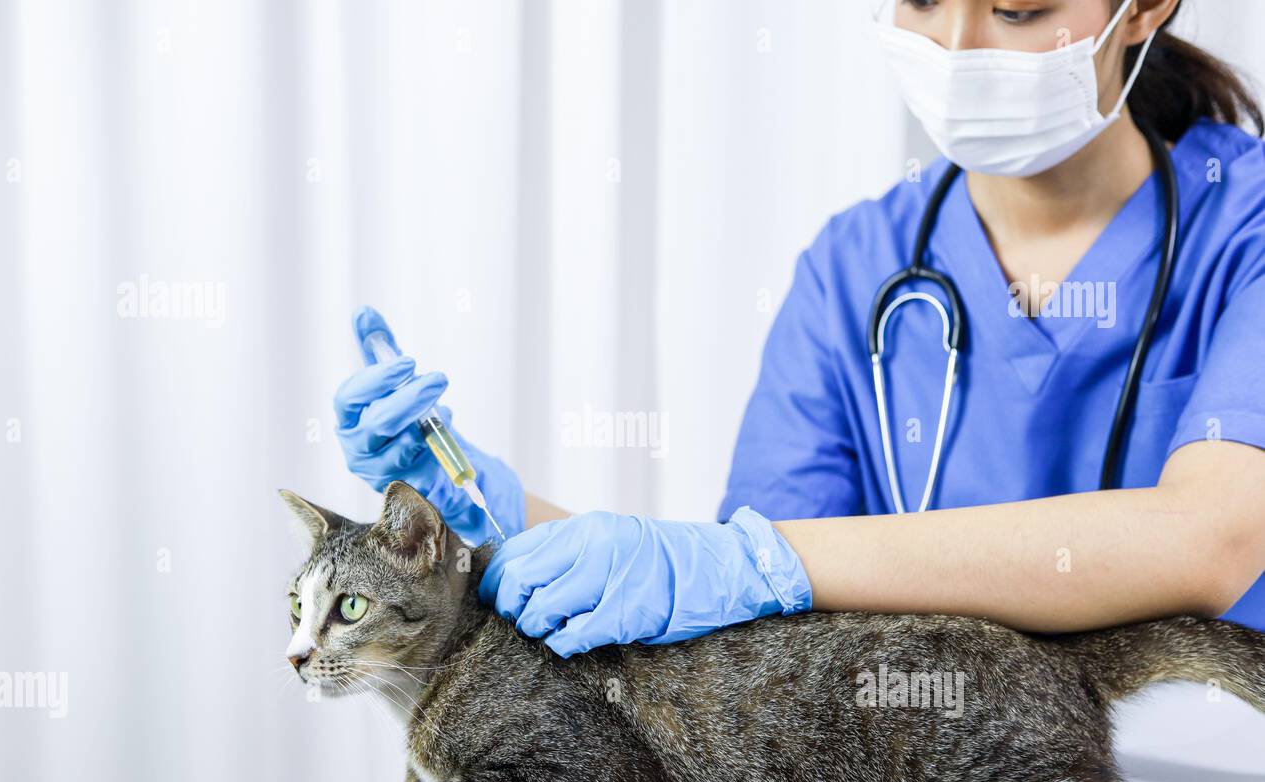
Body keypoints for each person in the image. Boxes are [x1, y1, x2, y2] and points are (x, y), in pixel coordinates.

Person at [335, 0, 1265, 658]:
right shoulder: (854, 267)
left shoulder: (1246, 224)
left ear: (1143, 8)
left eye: (1017, 12)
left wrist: (747, 560)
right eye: (923, 1)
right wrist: (489, 514)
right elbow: (748, 592)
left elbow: (1210, 540)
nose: (956, 46)